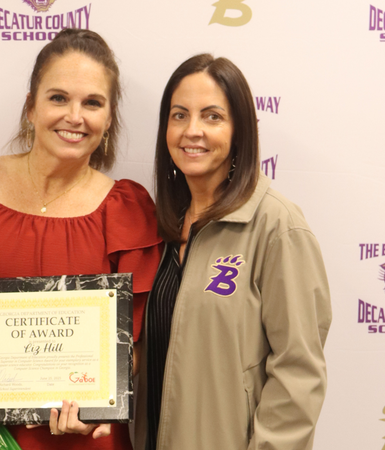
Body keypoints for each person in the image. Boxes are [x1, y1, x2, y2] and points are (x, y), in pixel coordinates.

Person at [0, 29, 162, 450]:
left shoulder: (129, 213)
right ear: (31, 107)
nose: (74, 116)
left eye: (92, 103)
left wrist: (99, 401)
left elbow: (137, 344)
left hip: (78, 442)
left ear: (109, 118)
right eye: (58, 98)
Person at [135, 54, 332, 450]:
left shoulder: (276, 226)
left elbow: (299, 372)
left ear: (240, 130)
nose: (193, 131)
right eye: (179, 115)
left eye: (212, 117)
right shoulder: (157, 229)